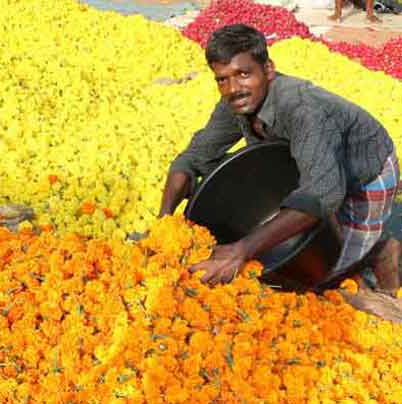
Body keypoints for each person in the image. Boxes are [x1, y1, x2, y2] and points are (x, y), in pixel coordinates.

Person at [159, 24, 400, 292]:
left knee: (320, 275)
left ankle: (379, 252)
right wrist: (165, 224)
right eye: (222, 79)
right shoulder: (236, 103)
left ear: (269, 69)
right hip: (308, 166)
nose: (233, 88)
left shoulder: (303, 110)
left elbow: (322, 194)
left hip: (363, 170)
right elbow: (192, 158)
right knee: (288, 255)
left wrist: (240, 250)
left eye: (243, 74)